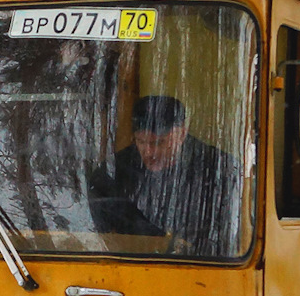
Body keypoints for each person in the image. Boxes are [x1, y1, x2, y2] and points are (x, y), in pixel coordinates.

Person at [90, 95, 239, 254]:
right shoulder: (111, 174)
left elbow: (227, 238)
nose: (148, 152)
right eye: (141, 141)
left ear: (181, 134)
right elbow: (101, 239)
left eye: (158, 143)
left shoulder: (220, 171)